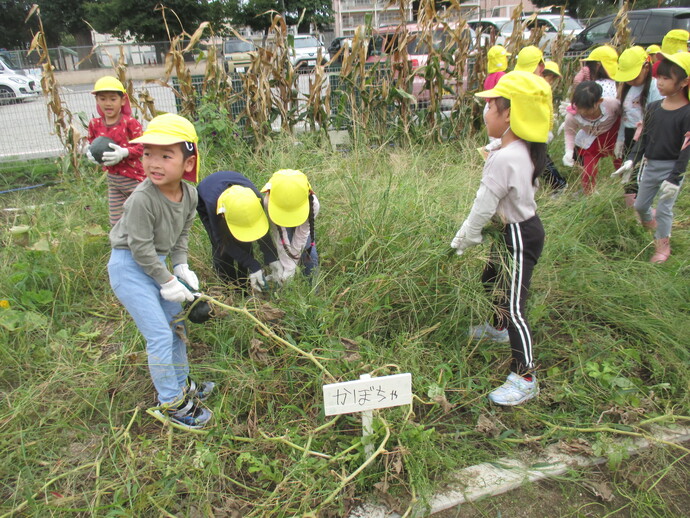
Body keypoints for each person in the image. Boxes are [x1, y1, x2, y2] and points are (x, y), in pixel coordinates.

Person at [450, 70, 551, 406]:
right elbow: (501, 149)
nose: (485, 112)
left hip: (521, 235)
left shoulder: (504, 159)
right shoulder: (521, 147)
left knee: (515, 306)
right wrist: (494, 147)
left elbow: (482, 208)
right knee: (490, 278)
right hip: (513, 230)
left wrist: (466, 237)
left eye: (491, 106)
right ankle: (497, 328)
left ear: (509, 114)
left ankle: (525, 376)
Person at [107, 113, 213, 430]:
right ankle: (169, 403)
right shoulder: (142, 199)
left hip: (159, 266)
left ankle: (181, 386)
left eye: (166, 155)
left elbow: (181, 236)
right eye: (149, 153)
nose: (154, 162)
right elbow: (139, 249)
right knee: (158, 334)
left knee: (177, 325)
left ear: (188, 162)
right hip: (129, 268)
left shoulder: (190, 195)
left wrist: (181, 266)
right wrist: (167, 280)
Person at [617, 52, 690, 263]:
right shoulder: (653, 108)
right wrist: (631, 159)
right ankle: (652, 225)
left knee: (665, 209)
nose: (660, 82)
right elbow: (643, 138)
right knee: (640, 205)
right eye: (659, 77)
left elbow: (686, 149)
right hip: (650, 166)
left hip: (671, 167)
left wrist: (676, 177)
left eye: (667, 78)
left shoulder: (686, 113)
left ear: (684, 82)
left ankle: (662, 247)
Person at [196, 171, 280, 292]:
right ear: (223, 217)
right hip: (208, 197)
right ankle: (230, 287)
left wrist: (271, 256)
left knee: (245, 243)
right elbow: (221, 240)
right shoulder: (215, 209)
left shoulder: (255, 200)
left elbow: (260, 228)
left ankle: (244, 285)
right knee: (222, 250)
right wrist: (253, 265)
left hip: (235, 191)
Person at [86, 76, 145, 225]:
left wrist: (124, 152)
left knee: (142, 218)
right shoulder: (95, 124)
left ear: (123, 100)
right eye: (103, 99)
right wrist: (90, 153)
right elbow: (91, 143)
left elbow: (143, 146)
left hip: (136, 180)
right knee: (116, 222)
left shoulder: (129, 123)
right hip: (114, 182)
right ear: (97, 100)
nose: (108, 103)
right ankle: (121, 247)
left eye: (113, 99)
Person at [613, 46, 662, 207]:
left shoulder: (655, 88)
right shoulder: (628, 89)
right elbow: (625, 116)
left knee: (640, 172)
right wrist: (620, 139)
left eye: (633, 76)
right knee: (628, 173)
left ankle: (644, 208)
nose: (630, 81)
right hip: (629, 135)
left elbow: (655, 119)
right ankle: (631, 209)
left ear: (646, 67)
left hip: (647, 136)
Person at [562, 81, 622, 194]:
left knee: (622, 166)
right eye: (580, 109)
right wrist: (568, 152)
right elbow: (570, 133)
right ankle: (590, 196)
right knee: (588, 172)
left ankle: (629, 192)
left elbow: (624, 117)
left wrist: (622, 139)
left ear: (599, 101)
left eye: (588, 109)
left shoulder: (612, 104)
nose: (584, 112)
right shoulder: (573, 116)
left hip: (614, 135)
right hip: (592, 140)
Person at [261, 169, 320, 284]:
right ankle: (281, 287)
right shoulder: (269, 203)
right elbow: (279, 235)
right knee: (283, 253)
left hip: (303, 217)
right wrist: (287, 267)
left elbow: (301, 234)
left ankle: (312, 291)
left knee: (309, 253)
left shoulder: (313, 205)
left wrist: (290, 268)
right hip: (279, 220)